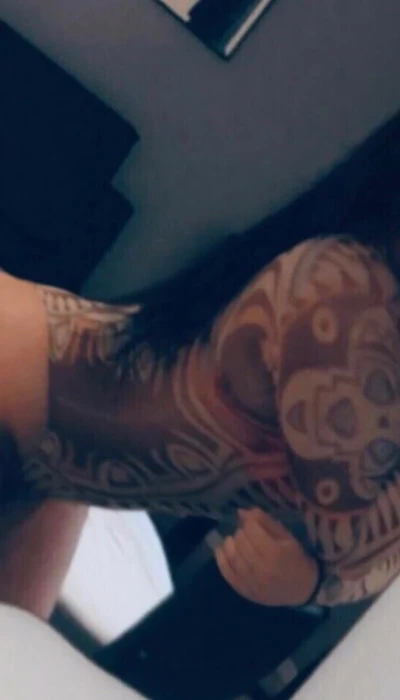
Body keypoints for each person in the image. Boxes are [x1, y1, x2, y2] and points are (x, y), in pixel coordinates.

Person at [0, 218, 400, 621]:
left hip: (52, 461)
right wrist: (316, 584)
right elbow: (354, 561)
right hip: (24, 405)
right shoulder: (355, 317)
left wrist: (316, 582)